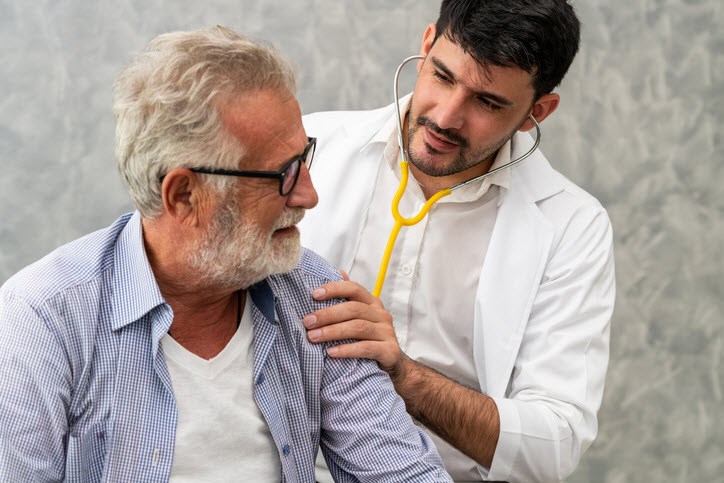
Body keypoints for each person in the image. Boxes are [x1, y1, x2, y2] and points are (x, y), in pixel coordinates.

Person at [0, 27, 452, 483]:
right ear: (184, 195)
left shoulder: (314, 294)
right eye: (283, 173)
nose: (309, 195)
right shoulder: (42, 319)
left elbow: (404, 474)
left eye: (305, 158)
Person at [299, 1, 615, 482]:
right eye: (443, 76)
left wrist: (402, 374)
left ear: (538, 112)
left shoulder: (571, 225)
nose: (446, 118)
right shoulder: (309, 147)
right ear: (426, 45)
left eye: (487, 103)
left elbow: (555, 442)